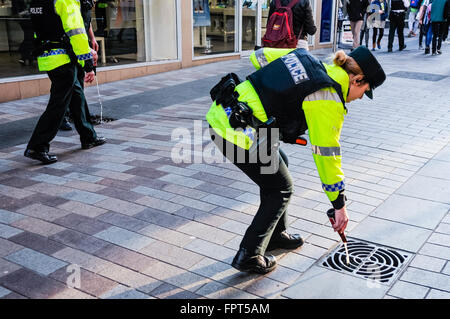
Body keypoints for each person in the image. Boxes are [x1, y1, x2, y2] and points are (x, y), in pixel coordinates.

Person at [205, 45, 386, 273]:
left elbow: (258, 56)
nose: (360, 98)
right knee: (281, 188)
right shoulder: (327, 97)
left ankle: (277, 234)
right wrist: (338, 204)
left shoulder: (306, 58)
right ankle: (249, 255)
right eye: (364, 91)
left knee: (280, 164)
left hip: (223, 113)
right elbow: (326, 154)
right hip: (237, 134)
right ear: (357, 80)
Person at [24, 0, 106, 165]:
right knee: (58, 105)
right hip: (63, 59)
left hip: (49, 58)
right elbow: (76, 33)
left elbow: (38, 30)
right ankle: (37, 146)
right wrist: (88, 65)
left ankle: (88, 136)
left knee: (77, 97)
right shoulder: (65, 1)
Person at [60, 0, 99, 131]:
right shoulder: (74, 3)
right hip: (72, 46)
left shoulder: (87, 3)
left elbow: (86, 23)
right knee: (66, 87)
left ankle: (78, 114)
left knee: (77, 84)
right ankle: (64, 116)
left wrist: (92, 38)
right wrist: (87, 50)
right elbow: (75, 28)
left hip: (80, 43)